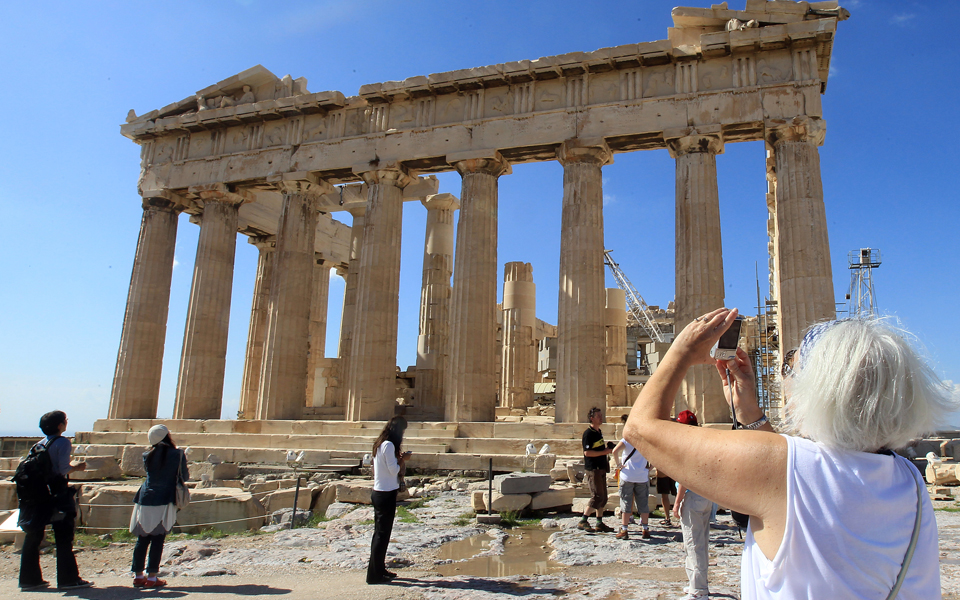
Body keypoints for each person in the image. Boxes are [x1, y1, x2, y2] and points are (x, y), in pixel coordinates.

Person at [624, 309, 956, 600]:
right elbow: (796, 479)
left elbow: (639, 428)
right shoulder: (910, 480)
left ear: (821, 387)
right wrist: (750, 414)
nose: (782, 378)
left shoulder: (782, 468)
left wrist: (681, 351)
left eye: (788, 367)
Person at [18, 411, 92, 591]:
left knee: (34, 536)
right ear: (60, 425)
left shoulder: (38, 444)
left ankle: (29, 580)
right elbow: (63, 469)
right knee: (64, 536)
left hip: (38, 495)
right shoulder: (62, 442)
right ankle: (68, 579)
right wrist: (77, 466)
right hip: (57, 494)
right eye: (65, 421)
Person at [129, 424, 187, 589]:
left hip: (145, 498)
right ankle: (152, 577)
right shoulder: (177, 454)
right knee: (158, 539)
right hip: (165, 498)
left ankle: (138, 576)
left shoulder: (147, 455)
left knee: (142, 539)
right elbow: (184, 476)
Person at [672, 410, 713, 599]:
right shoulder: (704, 444)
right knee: (701, 542)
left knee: (693, 544)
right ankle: (697, 584)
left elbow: (685, 478)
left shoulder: (687, 447)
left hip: (692, 497)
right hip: (705, 496)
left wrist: (677, 502)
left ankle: (698, 591)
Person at [367, 416, 411, 585]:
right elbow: (393, 470)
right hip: (385, 493)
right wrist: (403, 460)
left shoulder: (380, 444)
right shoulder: (389, 445)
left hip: (381, 492)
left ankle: (379, 570)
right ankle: (374, 575)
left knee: (381, 534)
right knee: (381, 535)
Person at [612, 415, 651, 540]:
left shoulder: (627, 439)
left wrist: (618, 464)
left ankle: (624, 529)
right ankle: (645, 529)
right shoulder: (645, 440)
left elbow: (614, 451)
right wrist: (649, 468)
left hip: (628, 475)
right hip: (642, 476)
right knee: (643, 503)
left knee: (626, 503)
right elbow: (655, 455)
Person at [578, 407, 614, 533]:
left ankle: (599, 522)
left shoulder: (599, 432)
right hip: (593, 469)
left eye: (601, 415)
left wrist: (608, 449)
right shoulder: (588, 434)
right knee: (597, 496)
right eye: (598, 416)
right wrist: (605, 451)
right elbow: (587, 452)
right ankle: (583, 520)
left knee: (603, 497)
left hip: (601, 467)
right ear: (591, 418)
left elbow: (599, 449)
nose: (601, 418)